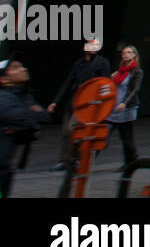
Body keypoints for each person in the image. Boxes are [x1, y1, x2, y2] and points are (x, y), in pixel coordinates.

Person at [46, 38, 111, 174]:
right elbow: (68, 81)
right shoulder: (79, 63)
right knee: (66, 133)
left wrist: (101, 103)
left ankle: (76, 160)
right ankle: (65, 161)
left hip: (88, 103)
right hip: (74, 101)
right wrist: (55, 101)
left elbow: (105, 84)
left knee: (72, 130)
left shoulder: (102, 63)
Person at [0, 59, 47, 198]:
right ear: (3, 79)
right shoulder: (3, 98)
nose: (23, 69)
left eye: (21, 66)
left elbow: (43, 118)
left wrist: (24, 125)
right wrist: (31, 117)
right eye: (15, 68)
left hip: (5, 166)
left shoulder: (24, 96)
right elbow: (28, 121)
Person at [106, 44, 142, 169]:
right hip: (113, 108)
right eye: (124, 53)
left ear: (134, 55)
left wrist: (124, 103)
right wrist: (111, 79)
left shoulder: (137, 72)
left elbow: (135, 89)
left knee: (127, 138)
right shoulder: (119, 71)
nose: (125, 54)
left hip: (126, 109)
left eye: (129, 52)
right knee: (103, 133)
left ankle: (131, 161)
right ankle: (88, 161)